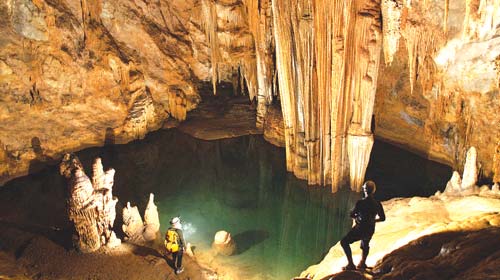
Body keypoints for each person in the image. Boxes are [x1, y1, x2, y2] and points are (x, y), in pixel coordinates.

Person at [340, 180, 385, 270]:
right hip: (370, 229)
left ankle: (351, 264)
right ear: (373, 190)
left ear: (365, 190)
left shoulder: (361, 203)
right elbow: (383, 218)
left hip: (360, 228)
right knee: (365, 244)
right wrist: (373, 220)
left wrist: (357, 217)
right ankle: (362, 263)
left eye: (364, 188)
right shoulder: (377, 204)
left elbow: (352, 214)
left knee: (344, 242)